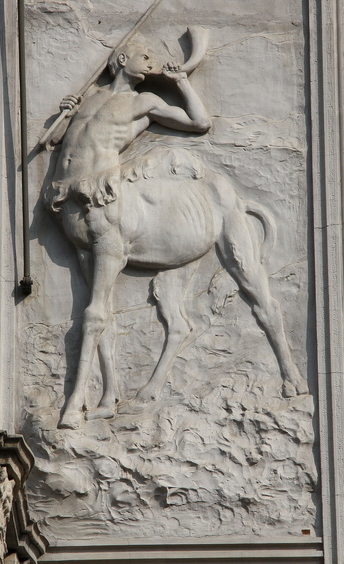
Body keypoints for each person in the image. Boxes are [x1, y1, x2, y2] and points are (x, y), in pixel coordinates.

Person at [45, 42, 211, 428]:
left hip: (100, 197)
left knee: (95, 306)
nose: (152, 63)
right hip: (65, 195)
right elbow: (55, 143)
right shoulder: (92, 97)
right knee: (95, 303)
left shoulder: (145, 102)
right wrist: (65, 113)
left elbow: (200, 123)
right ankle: (108, 391)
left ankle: (76, 401)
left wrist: (181, 81)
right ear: (122, 60)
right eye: (146, 57)